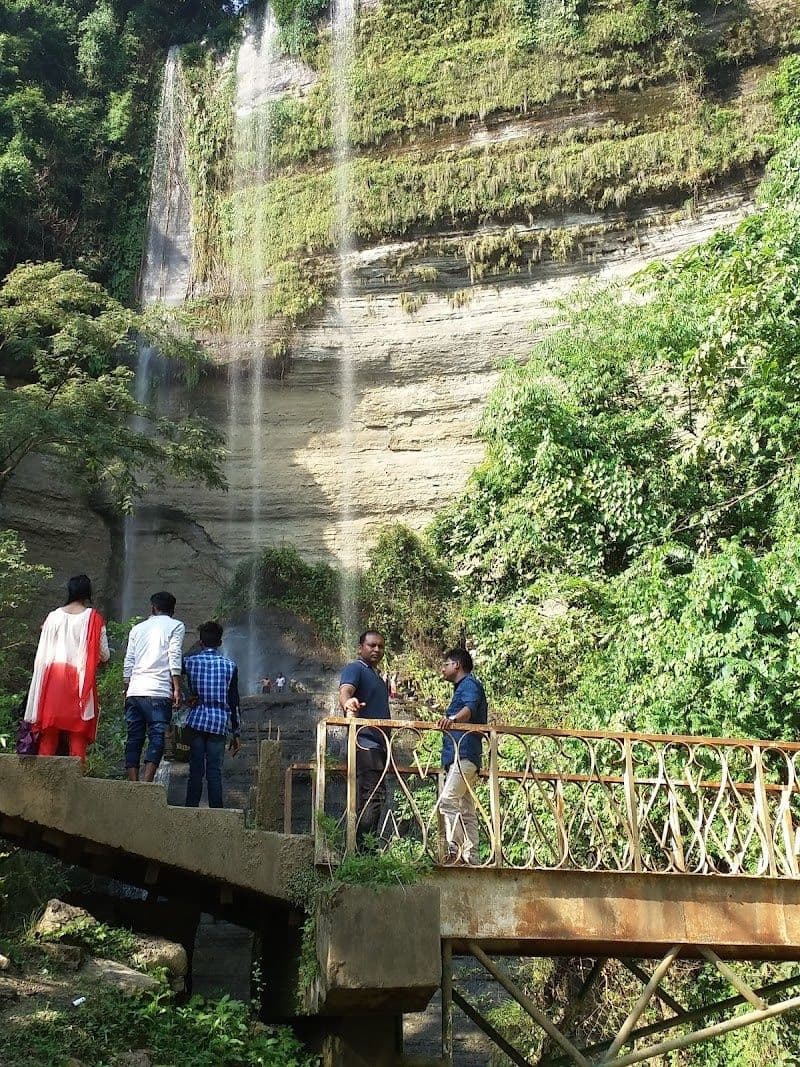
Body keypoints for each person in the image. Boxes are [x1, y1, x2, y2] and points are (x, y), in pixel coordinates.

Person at [24, 574, 109, 765]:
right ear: (88, 593)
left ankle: (41, 785)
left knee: (49, 735)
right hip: (80, 680)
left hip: (52, 680)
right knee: (77, 736)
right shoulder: (93, 618)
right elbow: (104, 654)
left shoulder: (53, 617)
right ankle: (76, 786)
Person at [123, 591, 185, 783]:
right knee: (157, 735)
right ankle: (147, 782)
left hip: (135, 690)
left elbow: (129, 660)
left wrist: (127, 687)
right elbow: (174, 655)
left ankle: (133, 783)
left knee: (134, 736)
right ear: (172, 610)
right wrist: (176, 688)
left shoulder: (137, 628)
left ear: (152, 608)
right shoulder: (176, 626)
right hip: (158, 692)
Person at [339, 630, 390, 846]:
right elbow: (346, 690)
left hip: (379, 745)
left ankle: (359, 845)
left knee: (371, 796)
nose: (376, 649)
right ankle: (364, 848)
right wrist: (348, 702)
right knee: (373, 795)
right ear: (361, 648)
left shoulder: (377, 676)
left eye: (380, 646)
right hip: (365, 742)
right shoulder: (355, 668)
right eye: (371, 645)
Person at [437, 647, 488, 866]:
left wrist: (453, 720)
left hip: (463, 754)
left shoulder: (469, 684)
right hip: (465, 755)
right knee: (466, 809)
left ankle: (455, 852)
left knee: (447, 801)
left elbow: (469, 708)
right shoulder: (464, 686)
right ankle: (472, 858)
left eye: (446, 664)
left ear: (456, 665)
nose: (443, 668)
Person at [182, 621, 241, 808]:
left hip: (196, 721)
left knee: (196, 770)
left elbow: (173, 680)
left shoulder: (189, 662)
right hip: (219, 723)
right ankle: (217, 811)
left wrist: (185, 697)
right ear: (220, 643)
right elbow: (234, 702)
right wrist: (236, 733)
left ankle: (190, 809)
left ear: (200, 642)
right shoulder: (230, 666)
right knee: (214, 771)